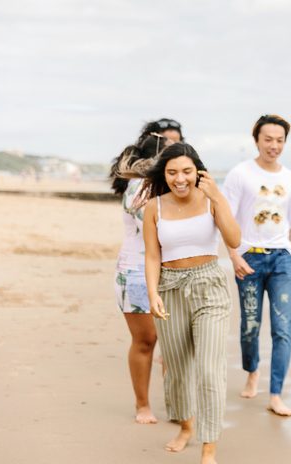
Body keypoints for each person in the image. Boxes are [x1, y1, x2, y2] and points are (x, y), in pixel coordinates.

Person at [142, 143, 241, 464]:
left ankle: (208, 445)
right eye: (172, 172)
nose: (179, 179)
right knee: (178, 369)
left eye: (186, 171)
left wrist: (218, 197)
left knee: (210, 371)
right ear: (164, 174)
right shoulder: (154, 207)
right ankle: (186, 426)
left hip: (208, 286)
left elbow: (235, 239)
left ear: (197, 171)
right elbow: (153, 255)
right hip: (169, 288)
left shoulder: (211, 199)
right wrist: (153, 293)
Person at [223, 114, 291, 417]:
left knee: (283, 329)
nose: (274, 145)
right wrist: (234, 255)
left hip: (282, 257)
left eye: (280, 140)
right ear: (256, 139)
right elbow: (226, 220)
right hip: (250, 258)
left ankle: (276, 393)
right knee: (250, 326)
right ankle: (252, 370)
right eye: (268, 139)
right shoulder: (240, 174)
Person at [108, 131, 173, 425]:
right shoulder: (139, 188)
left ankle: (175, 404)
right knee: (146, 341)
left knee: (172, 344)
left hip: (168, 272)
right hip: (134, 273)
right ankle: (142, 405)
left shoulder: (165, 187)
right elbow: (158, 228)